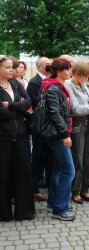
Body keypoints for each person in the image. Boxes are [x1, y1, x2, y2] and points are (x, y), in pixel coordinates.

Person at [0, 55, 35, 222]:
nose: (11, 70)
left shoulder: (16, 83)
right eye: (7, 67)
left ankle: (24, 212)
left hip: (21, 136)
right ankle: (3, 214)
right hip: (3, 138)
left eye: (11, 67)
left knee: (24, 173)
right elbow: (1, 114)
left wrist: (12, 105)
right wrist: (19, 108)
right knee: (3, 175)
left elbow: (29, 102)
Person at [65, 62, 89, 204]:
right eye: (85, 76)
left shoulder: (82, 85)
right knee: (78, 159)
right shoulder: (68, 86)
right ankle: (75, 191)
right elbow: (74, 109)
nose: (87, 79)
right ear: (77, 74)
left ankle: (85, 189)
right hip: (77, 126)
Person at [43, 58, 76, 221]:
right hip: (58, 135)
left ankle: (53, 203)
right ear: (60, 71)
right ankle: (60, 209)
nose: (70, 72)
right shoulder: (54, 88)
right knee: (69, 171)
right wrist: (65, 134)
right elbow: (54, 113)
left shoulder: (57, 87)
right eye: (68, 69)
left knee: (58, 169)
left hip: (58, 133)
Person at [27, 57, 52, 201]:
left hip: (49, 125)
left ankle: (48, 184)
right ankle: (34, 188)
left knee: (49, 156)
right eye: (47, 65)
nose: (50, 67)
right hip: (39, 126)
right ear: (40, 68)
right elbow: (36, 103)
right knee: (38, 156)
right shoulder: (34, 82)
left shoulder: (51, 80)